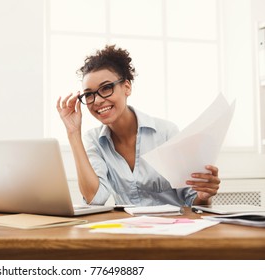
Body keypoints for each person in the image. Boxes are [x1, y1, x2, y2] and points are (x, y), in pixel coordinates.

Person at [56, 45, 220, 207]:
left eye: (106, 88)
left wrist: (203, 196)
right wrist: (73, 132)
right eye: (89, 94)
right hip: (129, 231)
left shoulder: (166, 133)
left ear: (127, 87)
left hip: (173, 229)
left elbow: (193, 200)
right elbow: (95, 198)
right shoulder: (94, 140)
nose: (97, 100)